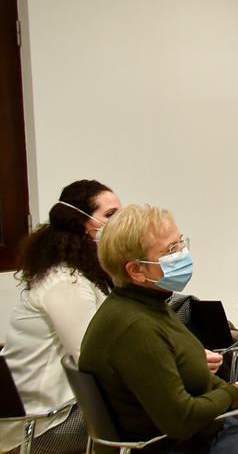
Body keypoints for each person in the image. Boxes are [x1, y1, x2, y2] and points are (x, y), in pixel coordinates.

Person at [78, 204, 238, 453]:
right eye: (171, 249)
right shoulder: (134, 327)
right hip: (186, 443)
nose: (182, 254)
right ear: (136, 270)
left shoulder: (146, 304)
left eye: (180, 243)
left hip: (203, 428)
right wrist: (234, 394)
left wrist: (234, 398)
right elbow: (181, 418)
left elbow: (187, 377)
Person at [0, 180, 118, 453]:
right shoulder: (66, 282)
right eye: (111, 215)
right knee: (159, 415)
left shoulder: (83, 275)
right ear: (81, 223)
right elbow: (92, 357)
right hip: (45, 424)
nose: (120, 223)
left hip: (63, 408)